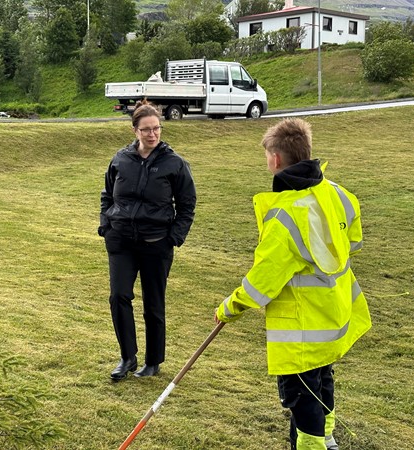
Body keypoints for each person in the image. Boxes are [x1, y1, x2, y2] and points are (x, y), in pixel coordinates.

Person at [214, 118, 371, 450]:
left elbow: (261, 283)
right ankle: (327, 438)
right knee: (322, 381)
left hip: (302, 327)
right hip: (334, 315)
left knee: (302, 397)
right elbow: (352, 241)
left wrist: (230, 307)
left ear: (275, 160)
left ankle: (314, 444)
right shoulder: (338, 193)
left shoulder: (284, 217)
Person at [99, 100, 196, 381]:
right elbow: (107, 195)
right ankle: (127, 357)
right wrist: (106, 224)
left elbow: (187, 205)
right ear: (134, 131)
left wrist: (174, 238)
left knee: (153, 304)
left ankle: (153, 361)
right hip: (121, 242)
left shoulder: (175, 164)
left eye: (156, 128)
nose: (152, 134)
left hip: (156, 243)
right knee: (119, 296)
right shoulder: (120, 159)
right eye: (146, 130)